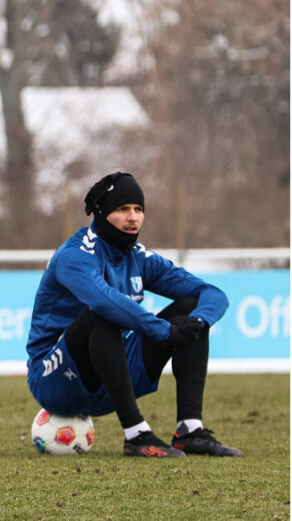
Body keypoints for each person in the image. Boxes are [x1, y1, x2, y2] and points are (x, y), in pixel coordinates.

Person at [26, 172, 241, 458]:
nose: (133, 218)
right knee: (101, 316)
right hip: (55, 381)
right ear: (102, 214)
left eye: (138, 209)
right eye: (122, 209)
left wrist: (198, 323)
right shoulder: (75, 255)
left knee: (190, 309)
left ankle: (190, 429)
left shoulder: (138, 256)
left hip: (110, 378)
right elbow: (104, 301)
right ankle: (136, 434)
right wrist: (165, 331)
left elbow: (213, 293)